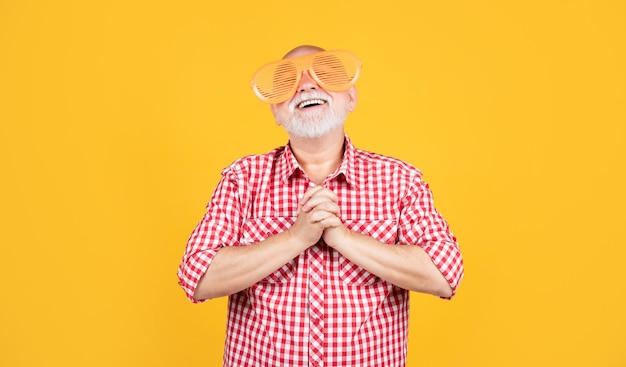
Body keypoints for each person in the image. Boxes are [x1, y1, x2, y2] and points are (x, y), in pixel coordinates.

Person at [178, 45, 464, 367]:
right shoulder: (243, 179)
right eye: (289, 82)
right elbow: (196, 278)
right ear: (275, 111)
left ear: (351, 98)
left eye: (324, 74)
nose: (307, 85)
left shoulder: (399, 180)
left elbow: (444, 273)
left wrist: (344, 239)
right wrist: (295, 238)